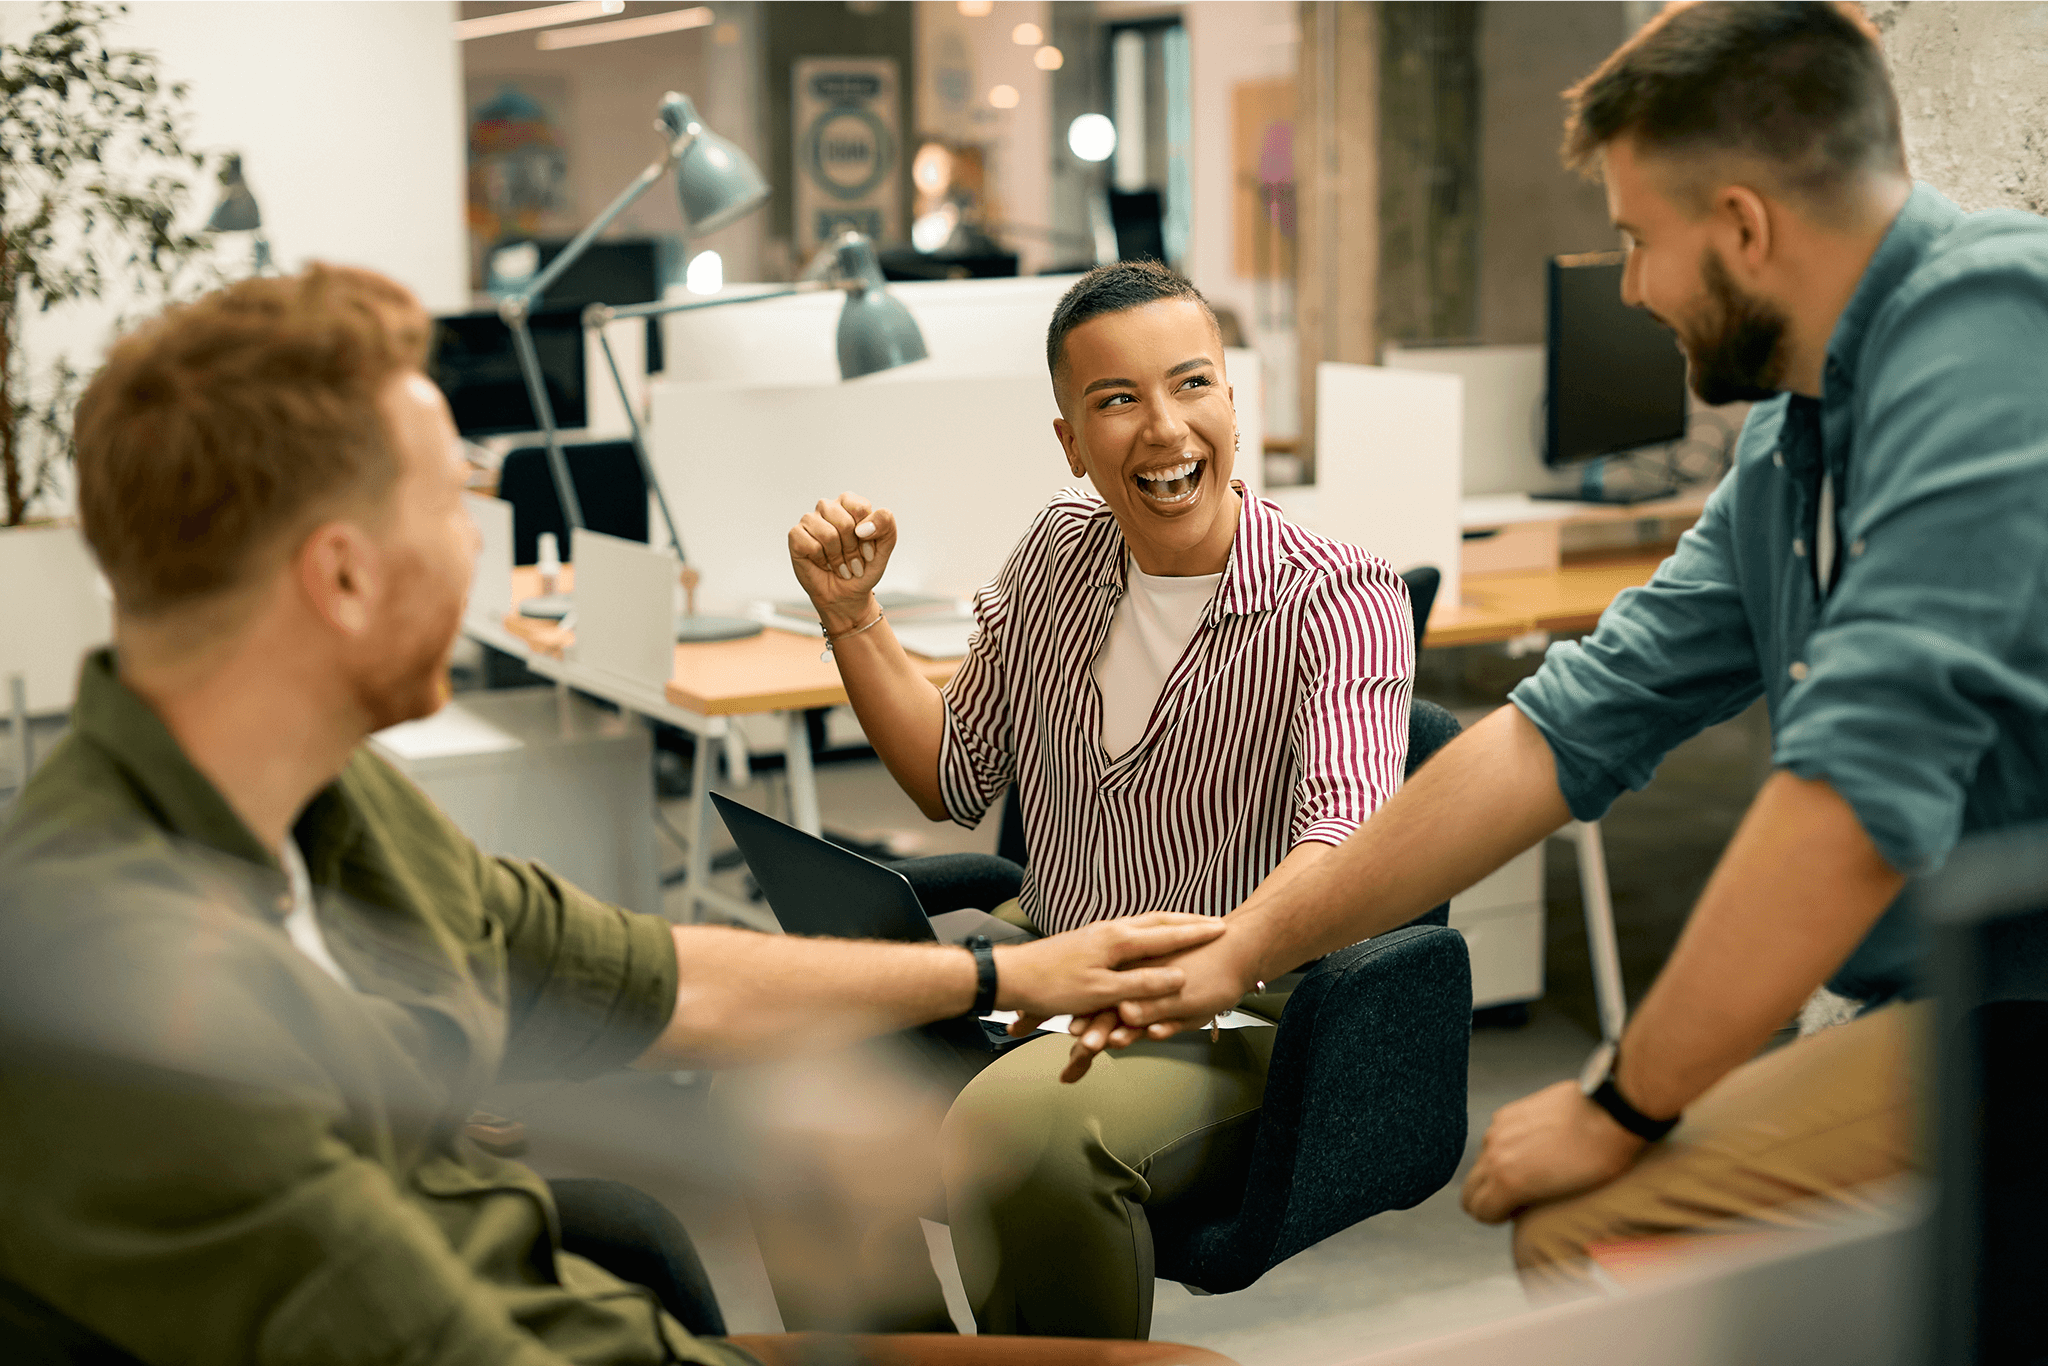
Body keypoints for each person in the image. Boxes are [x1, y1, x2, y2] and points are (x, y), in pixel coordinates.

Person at [0, 264, 1240, 1366]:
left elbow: (628, 973)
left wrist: (996, 971)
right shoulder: (135, 988)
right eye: (454, 504)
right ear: (340, 574)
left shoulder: (315, 797)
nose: (485, 547)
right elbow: (442, 1334)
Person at [1062, 0, 2048, 1293]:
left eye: (1640, 241)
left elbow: (1854, 797)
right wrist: (1246, 944)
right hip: (1952, 994)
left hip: (2016, 999)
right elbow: (1553, 732)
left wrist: (1621, 1100)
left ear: (1744, 226)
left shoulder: (1992, 331)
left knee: (1595, 1219)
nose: (1629, 287)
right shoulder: (1790, 441)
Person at [771, 260, 1417, 1338]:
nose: (1163, 431)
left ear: (1229, 398)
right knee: (792, 1092)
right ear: (1070, 441)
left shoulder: (1339, 597)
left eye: (1191, 384)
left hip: (1238, 1003)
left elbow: (1344, 842)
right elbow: (951, 773)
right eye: (1116, 401)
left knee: (1021, 1132)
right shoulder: (1060, 553)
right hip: (1047, 958)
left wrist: (1199, 962)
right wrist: (851, 613)